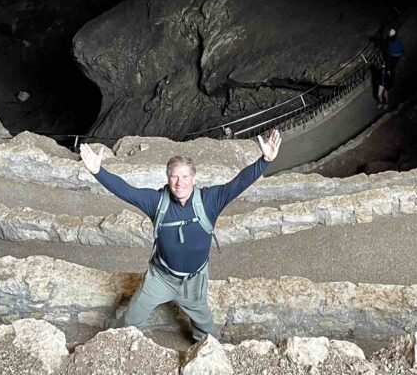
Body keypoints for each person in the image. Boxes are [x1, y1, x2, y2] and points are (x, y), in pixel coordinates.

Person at [80, 128, 281, 341]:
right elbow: (127, 191)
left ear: (193, 178)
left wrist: (265, 161)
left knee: (207, 332)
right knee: (131, 319)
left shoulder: (209, 201)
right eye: (174, 177)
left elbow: (238, 183)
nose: (179, 182)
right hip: (161, 277)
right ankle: (114, 345)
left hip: (194, 281)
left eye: (185, 176)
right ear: (167, 179)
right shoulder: (157, 202)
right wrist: (97, 171)